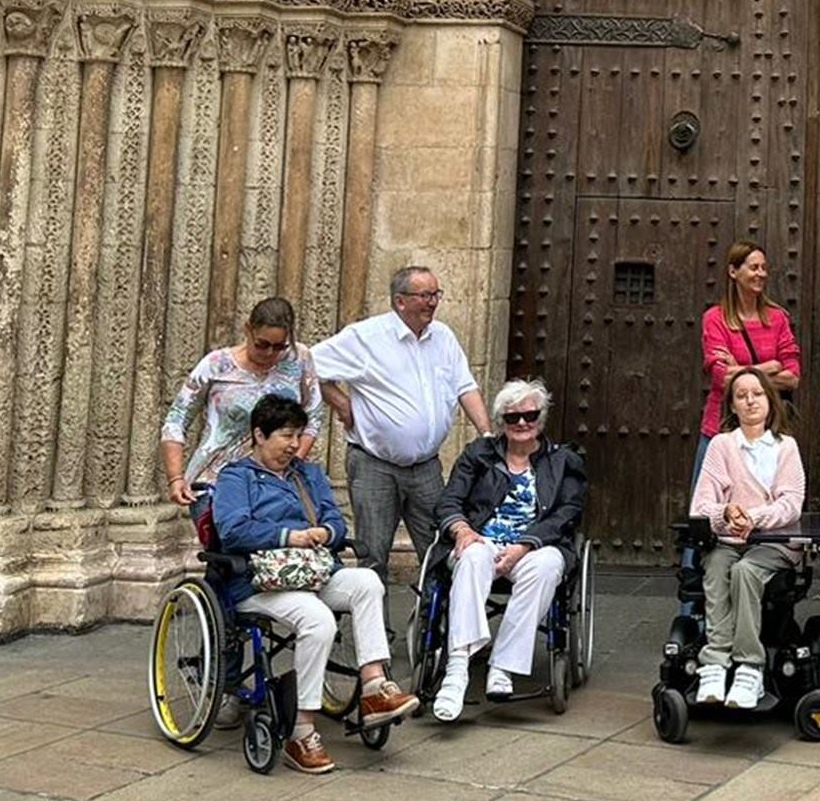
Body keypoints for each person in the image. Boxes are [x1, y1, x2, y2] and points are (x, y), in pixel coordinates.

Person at [209, 394, 418, 772]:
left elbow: (337, 523)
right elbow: (233, 530)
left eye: (297, 435)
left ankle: (373, 687)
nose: (293, 444)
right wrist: (290, 536)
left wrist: (325, 532)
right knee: (317, 618)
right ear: (259, 434)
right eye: (285, 436)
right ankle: (301, 731)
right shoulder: (235, 477)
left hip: (311, 571)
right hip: (260, 582)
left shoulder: (308, 475)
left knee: (367, 582)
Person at [310, 265, 492, 601]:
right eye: (424, 295)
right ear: (400, 301)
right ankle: (375, 642)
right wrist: (341, 403)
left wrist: (486, 433)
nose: (433, 303)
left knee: (441, 549)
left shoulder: (444, 337)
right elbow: (308, 365)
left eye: (436, 294)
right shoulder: (365, 337)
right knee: (373, 554)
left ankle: (438, 636)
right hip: (374, 464)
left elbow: (466, 386)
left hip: (426, 467)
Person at [428, 378, 587, 719]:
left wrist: (525, 545)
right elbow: (449, 501)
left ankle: (503, 665)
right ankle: (457, 669)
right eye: (512, 417)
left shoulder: (562, 461)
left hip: (534, 547)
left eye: (529, 415)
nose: (522, 423)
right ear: (501, 421)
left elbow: (567, 512)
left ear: (541, 418)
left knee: (545, 566)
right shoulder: (478, 455)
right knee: (471, 556)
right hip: (483, 540)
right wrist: (462, 529)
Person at [688, 365, 807, 710]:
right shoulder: (722, 446)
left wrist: (752, 518)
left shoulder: (786, 447)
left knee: (745, 573)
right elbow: (702, 504)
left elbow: (790, 503)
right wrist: (726, 514)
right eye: (741, 396)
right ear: (732, 406)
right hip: (727, 539)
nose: (750, 401)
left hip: (773, 542)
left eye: (756, 394)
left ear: (770, 401)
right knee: (716, 568)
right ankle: (714, 661)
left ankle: (749, 665)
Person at [159, 296, 322, 507]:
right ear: (248, 330)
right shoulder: (216, 364)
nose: (270, 353)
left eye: (279, 346)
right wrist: (175, 477)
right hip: (217, 478)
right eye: (262, 344)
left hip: (276, 481)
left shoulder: (299, 358)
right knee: (233, 535)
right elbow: (177, 418)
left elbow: (313, 416)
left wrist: (293, 461)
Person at [698, 240, 801, 480]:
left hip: (768, 429)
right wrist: (769, 367)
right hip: (723, 426)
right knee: (712, 508)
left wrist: (740, 371)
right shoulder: (715, 319)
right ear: (734, 272)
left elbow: (793, 377)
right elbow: (722, 379)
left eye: (764, 268)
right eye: (754, 268)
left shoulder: (777, 319)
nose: (761, 274)